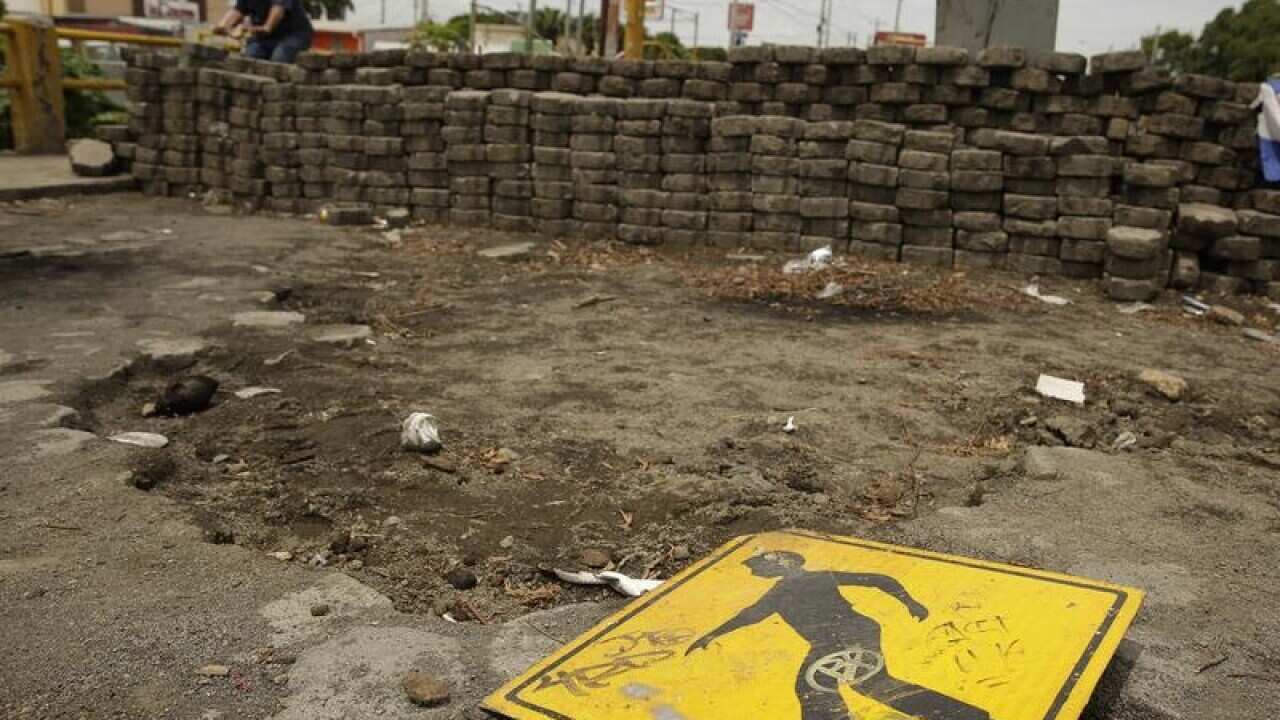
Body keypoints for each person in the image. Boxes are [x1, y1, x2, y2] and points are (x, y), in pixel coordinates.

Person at [686, 551, 992, 720]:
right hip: (837, 637)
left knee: (818, 689)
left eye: (756, 566)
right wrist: (711, 635)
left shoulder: (801, 583)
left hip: (847, 634)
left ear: (780, 565)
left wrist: (910, 601)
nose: (753, 573)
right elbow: (750, 615)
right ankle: (962, 715)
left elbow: (875, 578)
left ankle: (962, 715)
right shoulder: (781, 590)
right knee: (871, 685)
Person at [212, 0, 313, 64]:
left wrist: (261, 27)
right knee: (250, 56)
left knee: (279, 58)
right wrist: (224, 26)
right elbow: (238, 10)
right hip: (267, 38)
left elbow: (276, 13)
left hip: (295, 35)